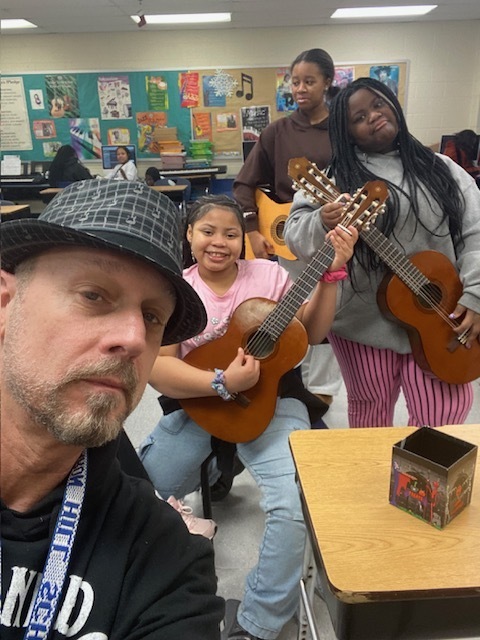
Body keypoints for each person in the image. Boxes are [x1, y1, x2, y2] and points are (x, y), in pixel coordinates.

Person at [0, 180, 224, 639]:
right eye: (94, 295)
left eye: (152, 316)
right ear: (5, 304)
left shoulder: (166, 558)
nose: (135, 339)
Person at [138, 194, 357, 640]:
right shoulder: (176, 288)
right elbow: (158, 367)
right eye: (207, 231)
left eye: (231, 234)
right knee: (137, 491)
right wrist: (221, 383)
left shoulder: (270, 275)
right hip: (200, 403)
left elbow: (311, 334)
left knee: (292, 506)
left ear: (244, 239)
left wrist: (331, 273)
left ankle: (258, 623)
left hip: (275, 402)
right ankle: (149, 595)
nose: (219, 242)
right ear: (189, 235)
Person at [284, 77, 480, 429]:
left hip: (440, 315)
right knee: (369, 417)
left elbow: (475, 231)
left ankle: (420, 482)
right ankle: (372, 482)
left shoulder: (441, 168)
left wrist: (476, 293)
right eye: (358, 117)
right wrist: (322, 221)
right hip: (363, 322)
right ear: (348, 133)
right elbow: (295, 235)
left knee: (443, 415)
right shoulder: (334, 177)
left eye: (377, 104)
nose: (373, 116)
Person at [233, 48, 344, 409]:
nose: (300, 88)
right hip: (283, 243)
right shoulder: (277, 131)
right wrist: (252, 230)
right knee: (287, 317)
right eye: (295, 81)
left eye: (309, 81)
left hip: (330, 239)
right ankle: (285, 385)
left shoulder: (344, 133)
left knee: (328, 319)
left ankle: (322, 392)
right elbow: (243, 184)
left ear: (327, 82)